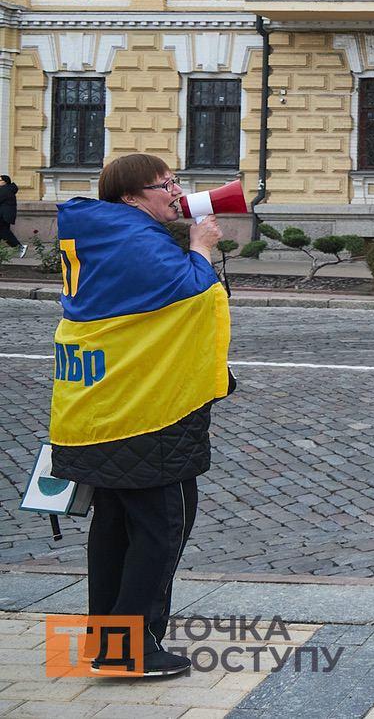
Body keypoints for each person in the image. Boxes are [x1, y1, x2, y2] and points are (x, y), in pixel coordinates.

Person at [49, 153, 233, 678]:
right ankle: (134, 651)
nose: (174, 191)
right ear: (131, 198)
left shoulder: (98, 233)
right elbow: (197, 294)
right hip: (149, 413)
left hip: (98, 408)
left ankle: (107, 643)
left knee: (113, 532)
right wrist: (200, 247)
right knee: (159, 531)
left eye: (175, 181)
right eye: (163, 185)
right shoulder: (136, 239)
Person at [0, 174, 22, 253]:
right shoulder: (8, 189)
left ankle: (19, 247)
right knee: (4, 233)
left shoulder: (5, 190)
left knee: (4, 232)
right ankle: (19, 248)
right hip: (5, 215)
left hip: (3, 216)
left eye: (0, 180)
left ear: (5, 182)